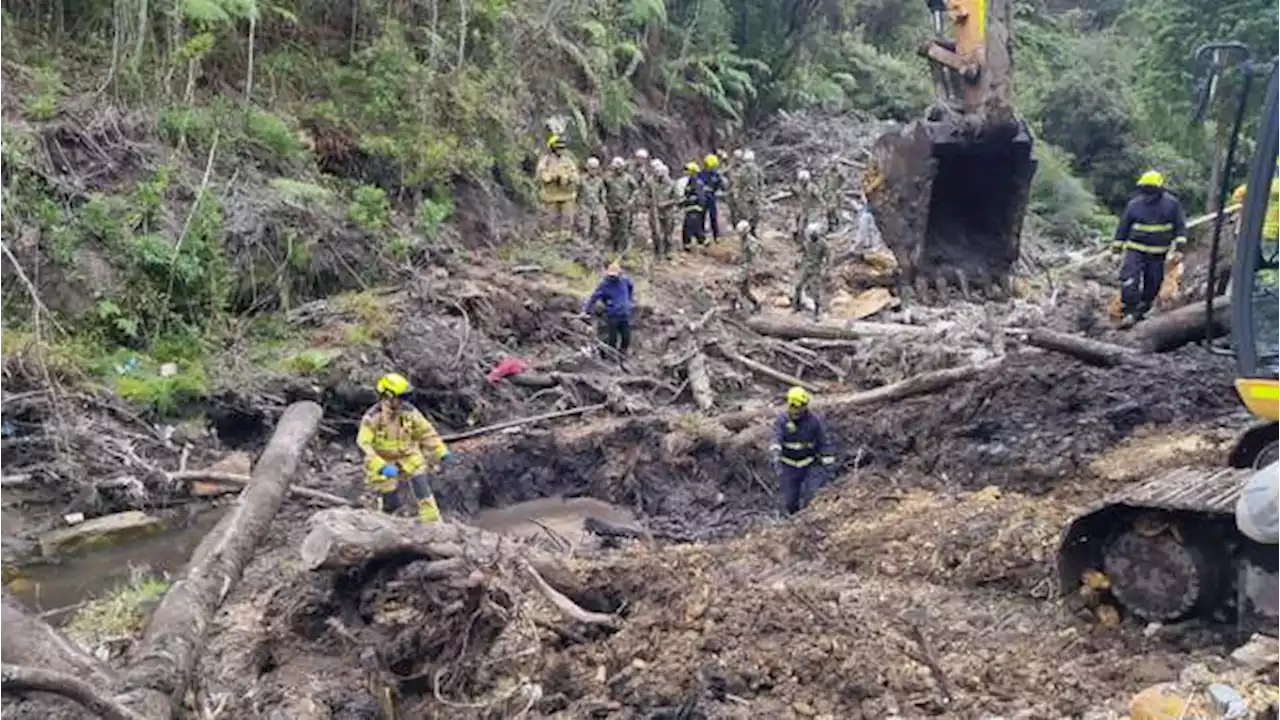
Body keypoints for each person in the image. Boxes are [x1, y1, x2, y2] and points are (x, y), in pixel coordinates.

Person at [357, 373, 455, 523]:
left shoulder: (409, 412)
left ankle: (432, 523)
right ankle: (387, 522)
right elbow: (363, 445)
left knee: (422, 486)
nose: (404, 401)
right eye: (401, 397)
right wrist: (380, 466)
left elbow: (426, 433)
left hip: (408, 454)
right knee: (389, 498)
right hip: (384, 459)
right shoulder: (373, 417)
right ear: (388, 396)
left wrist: (441, 452)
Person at [1111, 170, 1188, 328]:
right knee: (1128, 279)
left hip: (1159, 252)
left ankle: (1141, 310)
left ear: (1159, 190)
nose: (1148, 193)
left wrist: (1180, 249)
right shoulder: (1134, 205)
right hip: (1135, 250)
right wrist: (1116, 252)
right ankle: (1129, 310)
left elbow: (1180, 227)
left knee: (1153, 283)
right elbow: (1123, 228)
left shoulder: (1172, 204)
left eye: (1151, 190)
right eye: (1145, 189)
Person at [769, 386, 835, 516]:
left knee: (811, 496)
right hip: (788, 467)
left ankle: (808, 518)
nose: (797, 412)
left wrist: (828, 466)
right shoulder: (782, 420)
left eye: (800, 408)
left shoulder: (814, 421)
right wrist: (776, 454)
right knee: (790, 501)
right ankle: (793, 521)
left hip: (810, 465)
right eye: (794, 408)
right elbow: (776, 438)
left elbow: (824, 442)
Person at [582, 261, 635, 360]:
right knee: (612, 338)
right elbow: (594, 297)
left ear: (620, 274)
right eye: (611, 276)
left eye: (615, 275)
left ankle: (623, 355)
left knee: (626, 337)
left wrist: (630, 300)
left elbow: (631, 287)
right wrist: (586, 310)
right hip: (613, 315)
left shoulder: (625, 281)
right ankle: (611, 358)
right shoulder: (604, 285)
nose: (613, 277)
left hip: (625, 314)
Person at [535, 135, 579, 242]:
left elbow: (576, 175)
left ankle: (565, 239)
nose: (561, 150)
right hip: (551, 195)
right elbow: (540, 175)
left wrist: (568, 178)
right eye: (558, 148)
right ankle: (550, 239)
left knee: (567, 217)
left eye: (562, 148)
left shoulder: (568, 161)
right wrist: (552, 177)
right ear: (553, 148)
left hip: (567, 195)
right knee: (551, 217)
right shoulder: (546, 160)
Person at [794, 222, 829, 320]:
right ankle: (796, 307)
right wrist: (798, 261)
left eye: (814, 235)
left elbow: (828, 257)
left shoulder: (823, 244)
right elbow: (803, 253)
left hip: (815, 269)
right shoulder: (807, 242)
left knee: (815, 291)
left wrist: (826, 268)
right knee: (798, 286)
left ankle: (817, 312)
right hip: (806, 267)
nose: (812, 236)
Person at [604, 156, 637, 255]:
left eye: (619, 168)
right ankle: (613, 248)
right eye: (616, 168)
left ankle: (623, 250)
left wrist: (631, 200)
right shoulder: (607, 178)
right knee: (613, 228)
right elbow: (603, 190)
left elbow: (636, 189)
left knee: (624, 229)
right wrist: (605, 202)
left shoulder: (628, 178)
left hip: (624, 207)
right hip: (612, 207)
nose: (618, 170)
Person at [646, 159, 675, 260]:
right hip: (654, 211)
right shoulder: (650, 182)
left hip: (668, 211)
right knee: (656, 232)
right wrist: (648, 203)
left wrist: (666, 203)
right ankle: (657, 252)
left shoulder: (671, 184)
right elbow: (645, 194)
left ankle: (668, 251)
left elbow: (677, 198)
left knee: (668, 232)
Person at [577, 156, 606, 246]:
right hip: (584, 207)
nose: (593, 171)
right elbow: (576, 192)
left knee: (596, 227)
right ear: (588, 168)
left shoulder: (600, 181)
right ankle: (584, 244)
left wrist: (603, 204)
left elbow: (602, 193)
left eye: (595, 169)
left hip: (595, 207)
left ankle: (594, 244)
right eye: (591, 168)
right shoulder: (581, 179)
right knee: (584, 227)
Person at [734, 220, 762, 313]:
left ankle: (739, 305)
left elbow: (754, 255)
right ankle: (755, 304)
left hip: (748, 266)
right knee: (744, 289)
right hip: (744, 265)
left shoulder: (751, 241)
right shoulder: (743, 240)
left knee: (738, 284)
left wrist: (751, 270)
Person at [679, 162, 708, 250]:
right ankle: (701, 241)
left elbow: (699, 197)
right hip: (690, 208)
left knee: (689, 226)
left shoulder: (697, 183)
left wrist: (688, 200)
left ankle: (695, 242)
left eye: (687, 170)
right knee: (693, 226)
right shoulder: (691, 181)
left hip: (695, 208)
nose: (685, 172)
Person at [698, 154, 726, 241]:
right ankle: (701, 236)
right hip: (702, 197)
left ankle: (716, 236)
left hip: (711, 197)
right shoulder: (701, 174)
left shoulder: (716, 175)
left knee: (713, 216)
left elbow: (721, 185)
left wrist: (719, 191)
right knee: (701, 216)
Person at [737, 149, 764, 235]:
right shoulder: (756, 169)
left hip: (746, 195)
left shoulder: (742, 169)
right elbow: (761, 182)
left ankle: (749, 229)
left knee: (747, 214)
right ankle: (750, 229)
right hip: (753, 195)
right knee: (754, 213)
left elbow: (739, 183)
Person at [792, 169, 819, 245]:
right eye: (801, 180)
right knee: (801, 227)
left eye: (803, 180)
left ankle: (810, 245)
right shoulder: (799, 187)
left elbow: (819, 198)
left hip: (813, 210)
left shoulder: (813, 188)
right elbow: (798, 194)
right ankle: (801, 243)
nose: (801, 182)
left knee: (810, 228)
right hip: (804, 209)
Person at [820, 160, 845, 230]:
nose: (833, 165)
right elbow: (824, 183)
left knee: (838, 208)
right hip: (829, 193)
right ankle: (831, 225)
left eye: (835, 163)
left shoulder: (839, 173)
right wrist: (823, 192)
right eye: (832, 163)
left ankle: (839, 224)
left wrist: (840, 189)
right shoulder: (827, 173)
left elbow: (843, 181)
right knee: (830, 209)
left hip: (837, 192)